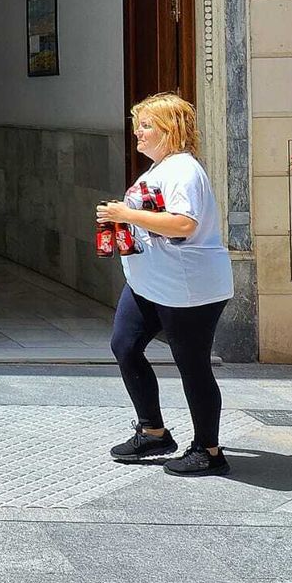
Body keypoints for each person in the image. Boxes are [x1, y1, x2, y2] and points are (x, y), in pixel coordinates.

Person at [99, 92, 235, 477]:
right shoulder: (159, 169)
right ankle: (154, 431)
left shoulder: (184, 171)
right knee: (124, 346)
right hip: (148, 284)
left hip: (189, 289)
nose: (137, 133)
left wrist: (128, 213)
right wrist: (122, 224)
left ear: (169, 131)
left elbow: (183, 224)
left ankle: (209, 450)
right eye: (137, 124)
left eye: (146, 126)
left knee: (192, 366)